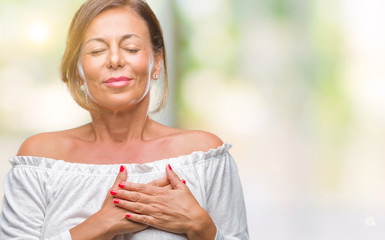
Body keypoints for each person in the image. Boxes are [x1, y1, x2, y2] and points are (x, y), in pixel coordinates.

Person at [0, 0, 249, 239]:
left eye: (131, 48)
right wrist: (99, 225)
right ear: (77, 70)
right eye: (97, 50)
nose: (115, 60)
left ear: (157, 62)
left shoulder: (203, 156)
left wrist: (201, 226)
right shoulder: (40, 160)